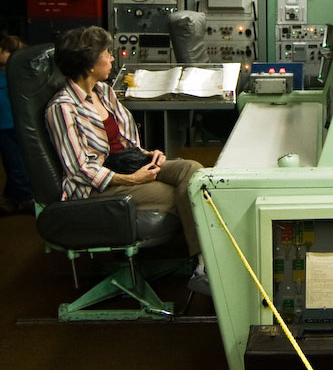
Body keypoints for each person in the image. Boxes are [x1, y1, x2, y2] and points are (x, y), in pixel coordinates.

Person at [44, 26, 209, 294]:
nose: (112, 58)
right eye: (106, 53)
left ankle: (203, 259)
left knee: (194, 171)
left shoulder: (104, 92)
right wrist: (131, 179)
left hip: (129, 163)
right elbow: (79, 169)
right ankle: (204, 265)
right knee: (183, 194)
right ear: (89, 63)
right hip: (98, 186)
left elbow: (124, 141)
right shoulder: (62, 109)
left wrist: (147, 154)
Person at [0, 33, 34, 215]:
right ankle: (23, 198)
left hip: (18, 124)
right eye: (7, 51)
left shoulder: (19, 76)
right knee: (14, 163)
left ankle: (11, 197)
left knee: (19, 163)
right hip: (5, 127)